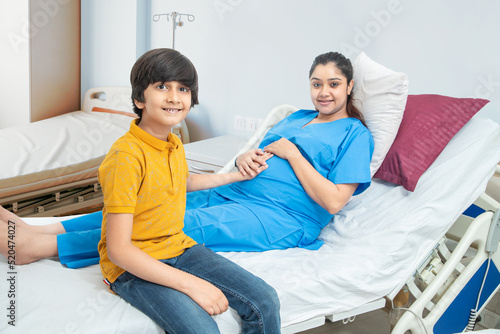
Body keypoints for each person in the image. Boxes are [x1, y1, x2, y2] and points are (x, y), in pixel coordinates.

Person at [1, 51, 374, 271]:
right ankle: (42, 228)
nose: (323, 92)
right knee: (150, 205)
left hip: (280, 217)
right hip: (238, 189)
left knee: (179, 223)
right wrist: (244, 158)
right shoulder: (295, 118)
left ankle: (40, 247)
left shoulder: (355, 134)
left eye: (333, 84)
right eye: (316, 83)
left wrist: (292, 155)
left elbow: (334, 200)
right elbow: (262, 150)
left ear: (349, 87)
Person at [18, 48, 282, 334]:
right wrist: (191, 283)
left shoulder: (173, 143)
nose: (173, 97)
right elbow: (119, 250)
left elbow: (181, 184)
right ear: (138, 99)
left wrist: (233, 176)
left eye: (183, 88)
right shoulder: (126, 157)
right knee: (202, 329)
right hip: (132, 265)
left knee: (265, 301)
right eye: (161, 87)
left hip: (178, 247)